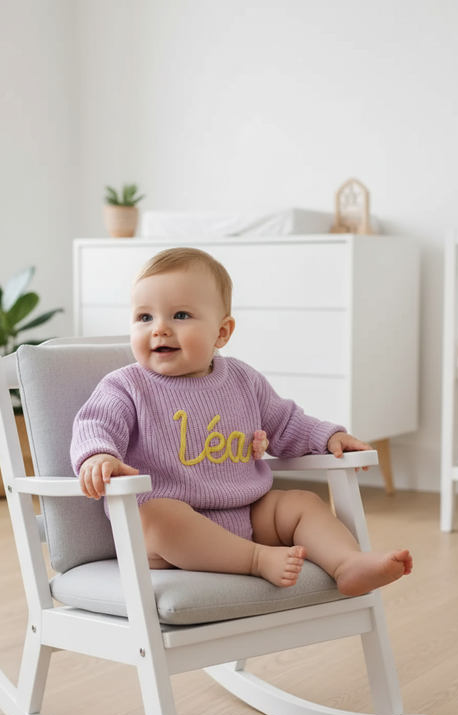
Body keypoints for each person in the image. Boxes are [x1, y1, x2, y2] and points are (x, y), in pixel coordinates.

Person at [71, 248, 412, 596]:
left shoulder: (243, 381)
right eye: (144, 317)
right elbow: (95, 423)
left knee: (302, 503)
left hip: (246, 515)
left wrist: (328, 437)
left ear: (222, 332)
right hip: (167, 538)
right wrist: (98, 456)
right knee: (158, 515)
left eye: (181, 315)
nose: (159, 329)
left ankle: (347, 563)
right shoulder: (126, 386)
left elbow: (287, 422)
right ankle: (256, 560)